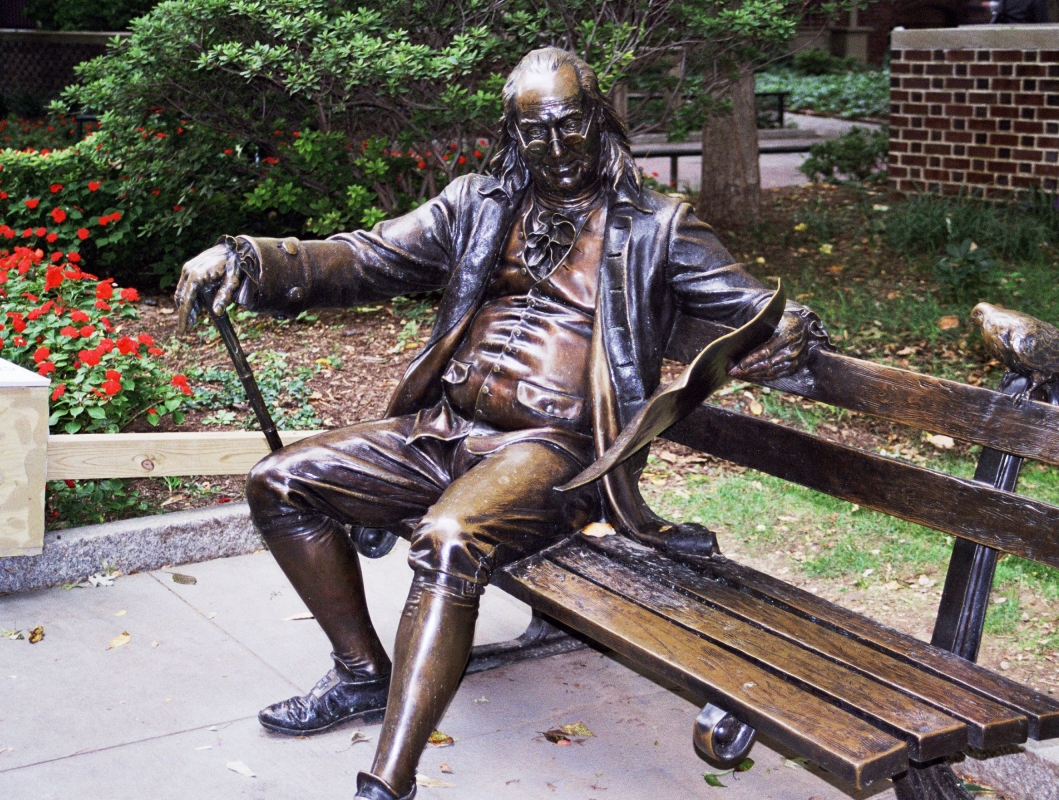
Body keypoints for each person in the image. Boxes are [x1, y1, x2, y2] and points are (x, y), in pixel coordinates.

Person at [174, 47, 829, 800]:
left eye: (570, 124)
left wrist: (791, 330)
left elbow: (765, 313)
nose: (556, 150)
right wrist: (249, 259)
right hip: (446, 431)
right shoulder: (479, 204)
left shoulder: (656, 226)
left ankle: (389, 781)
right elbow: (363, 257)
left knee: (450, 540)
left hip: (558, 457)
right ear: (511, 136)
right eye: (534, 133)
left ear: (600, 119)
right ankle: (361, 674)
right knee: (279, 481)